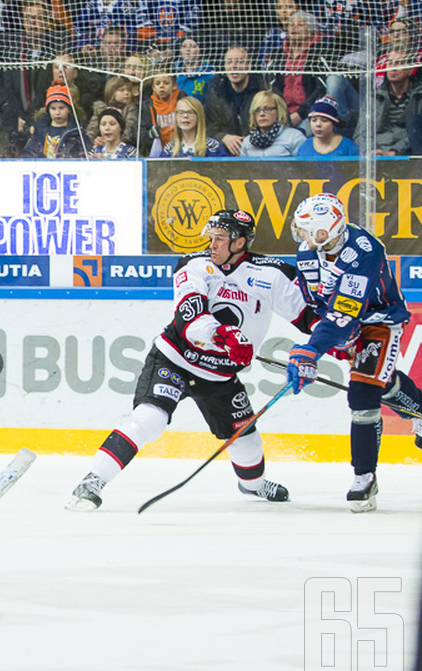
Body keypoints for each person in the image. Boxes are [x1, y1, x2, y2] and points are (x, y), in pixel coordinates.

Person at [67, 210, 314, 511]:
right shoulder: (194, 264)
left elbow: (310, 318)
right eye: (212, 237)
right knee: (150, 419)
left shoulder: (273, 274)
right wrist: (224, 336)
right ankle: (93, 480)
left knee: (247, 443)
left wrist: (334, 345)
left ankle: (254, 486)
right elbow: (189, 316)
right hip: (174, 360)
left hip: (221, 378)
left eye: (220, 238)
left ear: (239, 242)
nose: (213, 244)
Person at [285, 195, 422, 512]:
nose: (299, 234)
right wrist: (317, 343)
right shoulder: (307, 252)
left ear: (323, 233)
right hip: (341, 323)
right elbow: (319, 303)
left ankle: (364, 477)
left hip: (379, 320)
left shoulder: (364, 251)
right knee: (379, 383)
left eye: (305, 229)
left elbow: (346, 313)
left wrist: (312, 349)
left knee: (362, 394)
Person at [204, 45, 265, 157]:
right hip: (227, 152)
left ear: (249, 65)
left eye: (240, 62)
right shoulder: (216, 93)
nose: (234, 66)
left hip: (258, 149)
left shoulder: (263, 89)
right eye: (229, 62)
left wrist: (249, 142)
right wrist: (223, 137)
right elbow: (209, 127)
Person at [21, 84, 88, 158]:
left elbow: (86, 155)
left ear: (69, 109)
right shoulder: (39, 131)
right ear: (48, 110)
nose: (57, 112)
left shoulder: (77, 131)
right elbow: (29, 154)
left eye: (61, 108)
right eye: (53, 108)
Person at [239, 91, 305, 157]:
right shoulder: (247, 142)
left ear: (279, 111)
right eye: (257, 110)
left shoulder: (294, 137)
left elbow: (305, 166)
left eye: (267, 109)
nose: (261, 114)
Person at [158, 96, 226, 157]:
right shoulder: (169, 149)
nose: (185, 116)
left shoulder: (213, 147)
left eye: (190, 112)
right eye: (181, 113)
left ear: (199, 116)